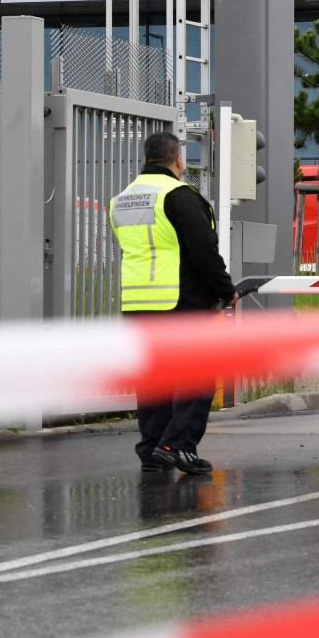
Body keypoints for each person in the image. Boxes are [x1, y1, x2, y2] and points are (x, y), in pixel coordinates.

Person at [109, 132, 237, 474]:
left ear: (146, 158)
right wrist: (226, 289)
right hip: (179, 301)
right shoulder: (179, 195)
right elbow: (203, 250)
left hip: (137, 302)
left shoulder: (121, 200)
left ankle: (152, 448)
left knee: (154, 377)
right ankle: (177, 446)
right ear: (177, 160)